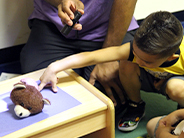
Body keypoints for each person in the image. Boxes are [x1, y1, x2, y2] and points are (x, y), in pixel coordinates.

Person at [38, 11, 184, 131]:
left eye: (146, 61)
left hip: (174, 81)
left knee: (177, 89)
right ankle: (136, 106)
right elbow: (92, 57)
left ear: (171, 57)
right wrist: (55, 67)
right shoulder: (136, 52)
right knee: (127, 63)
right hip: (149, 78)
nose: (139, 62)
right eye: (136, 53)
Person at [20, 0, 139, 109]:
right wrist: (62, 1)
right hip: (54, 25)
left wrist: (108, 56)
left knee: (103, 98)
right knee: (39, 87)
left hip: (108, 25)